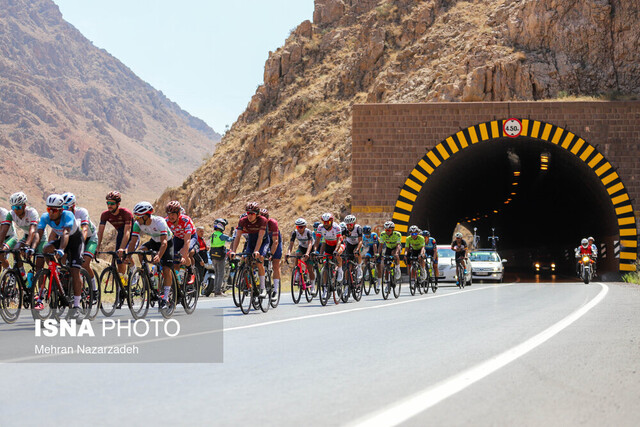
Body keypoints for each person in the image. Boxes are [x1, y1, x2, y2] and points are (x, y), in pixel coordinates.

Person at [37, 194, 85, 320]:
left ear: (60, 210)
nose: (50, 213)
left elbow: (66, 232)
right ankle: (54, 271)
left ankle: (76, 306)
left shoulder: (68, 215)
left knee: (75, 271)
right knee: (46, 248)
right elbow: (39, 233)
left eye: (54, 210)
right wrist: (32, 247)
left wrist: (62, 250)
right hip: (62, 240)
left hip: (75, 241)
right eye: (49, 209)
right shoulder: (45, 217)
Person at [127, 201, 174, 309]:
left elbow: (164, 243)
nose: (136, 218)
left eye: (138, 216)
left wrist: (159, 256)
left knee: (166, 269)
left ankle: (165, 297)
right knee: (140, 251)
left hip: (167, 242)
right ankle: (149, 276)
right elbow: (133, 241)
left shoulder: (159, 222)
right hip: (154, 241)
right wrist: (128, 256)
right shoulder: (137, 224)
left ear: (146, 216)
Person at [62, 192, 99, 299]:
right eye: (62, 207)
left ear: (73, 206)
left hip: (89, 238)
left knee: (85, 263)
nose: (64, 210)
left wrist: (80, 244)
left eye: (66, 207)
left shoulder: (81, 212)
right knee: (65, 261)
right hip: (74, 238)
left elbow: (85, 229)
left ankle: (94, 289)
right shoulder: (63, 215)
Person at [228, 202, 269, 298]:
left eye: (252, 213)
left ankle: (263, 288)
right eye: (248, 213)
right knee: (247, 259)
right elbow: (237, 236)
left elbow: (260, 237)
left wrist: (256, 251)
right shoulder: (243, 220)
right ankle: (251, 282)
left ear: (257, 214)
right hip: (251, 240)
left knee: (259, 260)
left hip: (263, 241)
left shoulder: (262, 220)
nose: (249, 216)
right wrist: (233, 250)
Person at [0, 192, 40, 283]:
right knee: (17, 250)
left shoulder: (32, 212)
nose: (15, 210)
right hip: (26, 236)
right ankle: (21, 276)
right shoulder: (11, 214)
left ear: (24, 206)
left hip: (39, 236)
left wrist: (27, 245)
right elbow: (3, 231)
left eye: (18, 207)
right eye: (13, 207)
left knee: (39, 264)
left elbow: (32, 230)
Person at [96, 191, 133, 278]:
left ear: (118, 204)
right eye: (108, 203)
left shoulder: (126, 213)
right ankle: (123, 284)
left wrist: (122, 248)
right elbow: (100, 232)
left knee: (126, 254)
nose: (109, 206)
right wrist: (97, 247)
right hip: (121, 233)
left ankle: (134, 270)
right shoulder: (105, 215)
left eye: (112, 203)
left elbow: (127, 232)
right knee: (119, 261)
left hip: (131, 233)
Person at [165, 201, 196, 285]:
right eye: (169, 214)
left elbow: (187, 241)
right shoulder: (166, 221)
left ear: (179, 214)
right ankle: (177, 284)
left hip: (191, 237)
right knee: (175, 262)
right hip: (178, 237)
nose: (170, 217)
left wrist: (184, 254)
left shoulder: (186, 220)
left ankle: (190, 272)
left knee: (185, 254)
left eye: (173, 214)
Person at [286, 217, 316, 291]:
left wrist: (307, 254)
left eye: (301, 227)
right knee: (297, 254)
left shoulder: (308, 232)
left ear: (305, 227)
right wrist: (288, 253)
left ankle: (312, 286)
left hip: (310, 248)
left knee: (309, 268)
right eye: (297, 227)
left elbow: (310, 244)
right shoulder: (295, 233)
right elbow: (291, 244)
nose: (299, 229)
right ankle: (297, 273)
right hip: (302, 247)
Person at [314, 212, 344, 283]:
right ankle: (325, 286)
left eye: (328, 222)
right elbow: (317, 240)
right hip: (329, 245)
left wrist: (336, 250)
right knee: (326, 264)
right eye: (324, 222)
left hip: (338, 244)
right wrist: (315, 251)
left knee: (337, 254)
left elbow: (339, 241)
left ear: (332, 221)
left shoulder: (336, 227)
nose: (326, 223)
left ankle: (340, 270)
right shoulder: (320, 227)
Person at [261, 208, 283, 300]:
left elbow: (275, 242)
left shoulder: (273, 223)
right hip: (265, 241)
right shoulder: (258, 224)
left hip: (275, 241)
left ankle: (276, 290)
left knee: (275, 264)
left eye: (265, 218)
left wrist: (271, 254)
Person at [209, 218, 233, 296]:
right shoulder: (221, 235)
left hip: (213, 255)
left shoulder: (213, 234)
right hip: (220, 256)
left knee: (216, 273)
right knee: (220, 274)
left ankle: (215, 289)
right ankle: (218, 291)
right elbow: (230, 239)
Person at [377, 221, 402, 288]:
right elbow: (381, 245)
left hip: (396, 247)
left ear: (392, 229)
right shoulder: (383, 234)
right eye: (386, 230)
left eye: (388, 230)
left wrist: (396, 253)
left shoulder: (397, 234)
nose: (387, 231)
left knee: (394, 254)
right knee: (386, 265)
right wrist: (379, 254)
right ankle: (388, 283)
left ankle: (397, 268)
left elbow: (398, 245)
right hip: (388, 248)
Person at [342, 214, 363, 280]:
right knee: (348, 267)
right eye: (347, 225)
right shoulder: (345, 229)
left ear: (354, 223)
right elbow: (340, 239)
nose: (349, 226)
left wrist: (357, 249)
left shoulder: (358, 228)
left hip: (357, 244)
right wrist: (345, 235)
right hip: (349, 244)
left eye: (350, 225)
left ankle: (359, 267)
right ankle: (347, 285)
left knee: (356, 252)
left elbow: (360, 241)